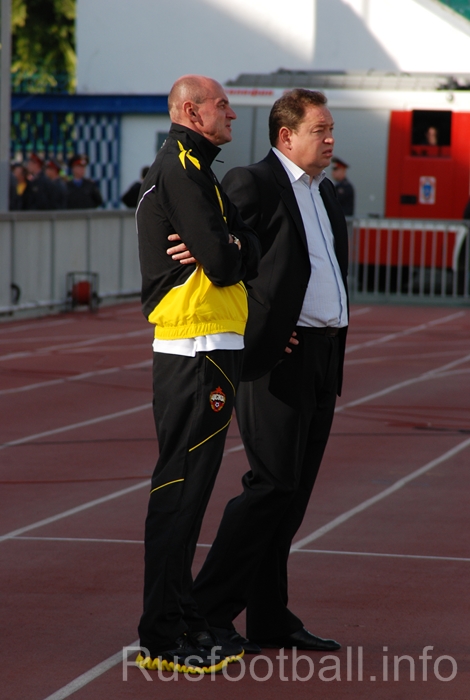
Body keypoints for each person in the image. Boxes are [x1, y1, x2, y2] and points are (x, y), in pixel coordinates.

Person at [191, 88, 348, 654]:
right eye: (320, 130)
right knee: (271, 486)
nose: (330, 140)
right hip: (277, 358)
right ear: (286, 135)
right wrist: (262, 328)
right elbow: (220, 258)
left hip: (324, 355)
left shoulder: (325, 192)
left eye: (330, 130)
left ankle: (269, 616)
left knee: (293, 494)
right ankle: (205, 610)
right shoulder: (252, 182)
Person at [135, 74, 260, 674]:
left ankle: (182, 618)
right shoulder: (181, 170)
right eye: (222, 105)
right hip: (195, 346)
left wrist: (231, 242)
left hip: (210, 342)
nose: (231, 114)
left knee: (192, 492)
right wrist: (229, 246)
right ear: (191, 111)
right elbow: (222, 261)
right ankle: (162, 634)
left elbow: (244, 246)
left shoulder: (198, 171)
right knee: (179, 492)